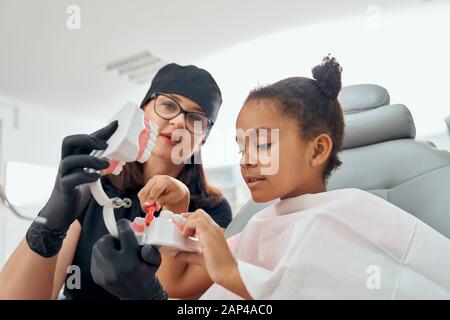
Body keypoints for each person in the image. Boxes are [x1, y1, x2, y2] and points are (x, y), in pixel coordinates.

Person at [91, 56, 450, 299]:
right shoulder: (257, 226)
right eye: (241, 148)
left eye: (262, 145)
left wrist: (232, 274)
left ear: (318, 149)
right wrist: (174, 216)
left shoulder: (348, 211)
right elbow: (177, 288)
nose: (247, 160)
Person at [0, 63, 232, 300]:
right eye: (168, 105)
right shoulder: (93, 188)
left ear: (203, 139)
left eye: (196, 119)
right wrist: (49, 225)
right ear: (142, 113)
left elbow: (177, 292)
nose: (179, 122)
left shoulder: (213, 211)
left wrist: (176, 209)